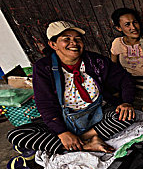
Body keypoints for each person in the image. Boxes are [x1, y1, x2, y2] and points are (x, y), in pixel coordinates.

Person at [7, 21, 135, 157]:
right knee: (17, 135)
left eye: (77, 39)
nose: (73, 43)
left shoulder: (96, 61)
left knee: (126, 116)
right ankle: (87, 145)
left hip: (96, 116)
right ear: (53, 44)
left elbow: (125, 79)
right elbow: (45, 104)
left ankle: (81, 140)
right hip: (64, 121)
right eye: (66, 39)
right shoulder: (44, 68)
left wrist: (126, 102)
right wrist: (62, 133)